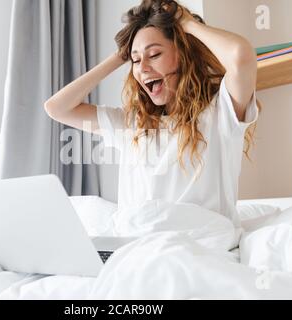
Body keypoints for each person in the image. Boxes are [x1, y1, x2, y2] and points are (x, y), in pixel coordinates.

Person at [44, 0, 260, 243]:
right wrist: (122, 54)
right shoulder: (131, 124)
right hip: (136, 247)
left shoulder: (221, 113)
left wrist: (188, 24)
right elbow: (57, 108)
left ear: (184, 55)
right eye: (136, 61)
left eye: (155, 54)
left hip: (198, 243)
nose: (143, 68)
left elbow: (241, 56)